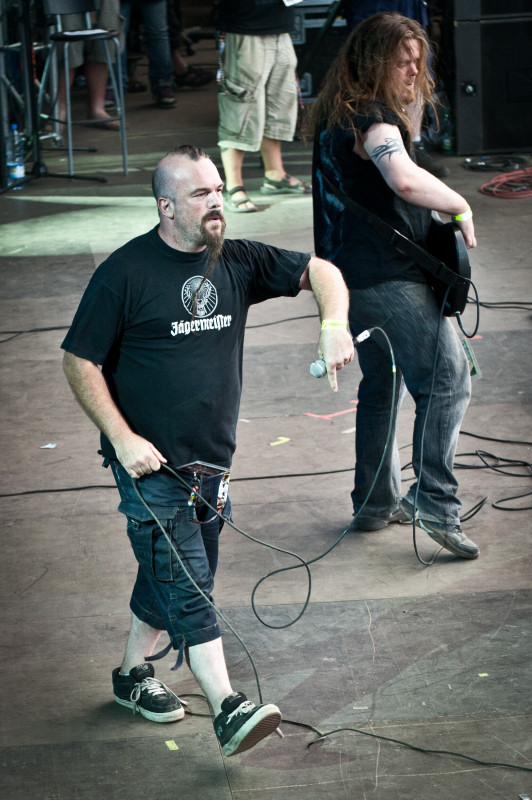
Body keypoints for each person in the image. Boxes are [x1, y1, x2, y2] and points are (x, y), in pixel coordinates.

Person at [61, 144, 354, 756]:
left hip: (212, 466)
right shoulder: (125, 273)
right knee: (190, 586)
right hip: (150, 468)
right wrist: (122, 439)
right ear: (167, 206)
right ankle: (228, 707)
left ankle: (131, 674)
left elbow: (321, 271)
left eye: (219, 189)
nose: (217, 201)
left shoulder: (238, 261)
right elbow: (78, 359)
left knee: (168, 576)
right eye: (201, 193)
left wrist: (332, 324)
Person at [309, 13, 480, 559]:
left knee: (382, 384)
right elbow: (402, 176)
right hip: (384, 278)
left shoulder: (339, 116)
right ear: (372, 63)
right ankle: (436, 504)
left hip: (345, 278)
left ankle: (374, 502)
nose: (412, 70)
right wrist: (460, 202)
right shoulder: (373, 119)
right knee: (447, 378)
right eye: (401, 61)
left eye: (417, 60)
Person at [216, 0, 311, 213]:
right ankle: (233, 186)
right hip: (244, 27)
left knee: (278, 105)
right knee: (240, 106)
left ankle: (275, 175)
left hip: (280, 26)